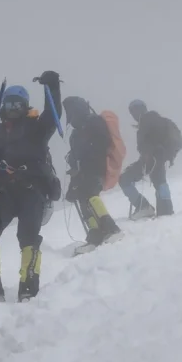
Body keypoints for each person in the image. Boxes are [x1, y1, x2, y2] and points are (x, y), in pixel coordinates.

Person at [0, 72, 62, 302]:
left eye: (18, 104)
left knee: (27, 236)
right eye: (9, 104)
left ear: (25, 106)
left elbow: (53, 116)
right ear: (3, 106)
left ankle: (28, 287)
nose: (13, 108)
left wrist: (52, 87)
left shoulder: (37, 127)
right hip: (4, 190)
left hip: (31, 189)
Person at [62, 95, 123, 250]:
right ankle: (95, 233)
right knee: (83, 198)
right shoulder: (77, 132)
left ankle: (111, 228)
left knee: (90, 194)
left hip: (95, 166)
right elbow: (75, 154)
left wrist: (85, 157)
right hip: (83, 169)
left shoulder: (94, 122)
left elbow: (102, 143)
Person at [118, 98, 182, 217]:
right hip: (160, 157)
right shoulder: (157, 119)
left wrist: (146, 153)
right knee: (160, 181)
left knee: (124, 179)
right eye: (132, 112)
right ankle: (166, 209)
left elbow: (146, 142)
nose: (133, 114)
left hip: (151, 157)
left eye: (134, 111)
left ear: (141, 109)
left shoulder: (146, 121)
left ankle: (143, 206)